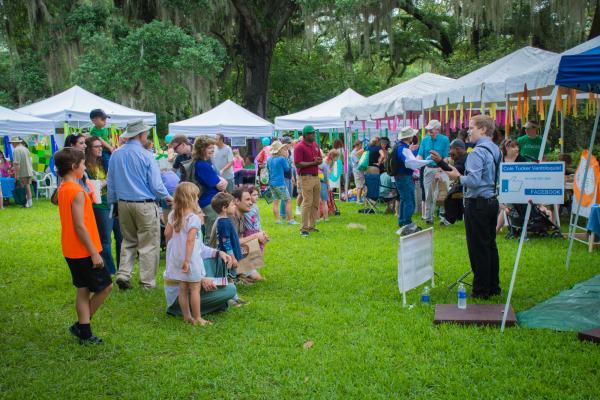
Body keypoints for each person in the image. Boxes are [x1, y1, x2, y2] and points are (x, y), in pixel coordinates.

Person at [55, 147, 112, 344]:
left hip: (70, 248)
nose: (84, 168)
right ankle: (82, 327)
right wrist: (94, 253)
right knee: (105, 287)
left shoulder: (64, 187)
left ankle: (84, 332)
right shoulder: (76, 191)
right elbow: (80, 226)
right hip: (83, 250)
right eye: (82, 165)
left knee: (83, 288)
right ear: (74, 167)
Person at [107, 119, 173, 290]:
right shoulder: (147, 155)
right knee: (149, 244)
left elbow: (111, 182)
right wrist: (167, 197)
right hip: (144, 204)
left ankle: (123, 273)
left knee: (128, 240)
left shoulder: (116, 154)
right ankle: (147, 282)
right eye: (146, 133)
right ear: (141, 134)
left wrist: (113, 203)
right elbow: (156, 185)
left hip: (123, 203)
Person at [446, 115, 502, 299]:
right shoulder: (495, 149)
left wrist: (457, 177)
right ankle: (493, 286)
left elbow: (474, 181)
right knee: (489, 245)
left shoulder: (477, 152)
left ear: (483, 129)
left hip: (477, 203)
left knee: (478, 248)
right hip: (491, 201)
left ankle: (480, 290)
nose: (468, 131)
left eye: (471, 127)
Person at [164, 182, 219, 326]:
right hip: (189, 258)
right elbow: (190, 241)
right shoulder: (193, 218)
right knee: (194, 288)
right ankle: (198, 318)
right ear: (191, 198)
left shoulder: (172, 215)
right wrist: (187, 260)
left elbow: (166, 234)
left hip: (176, 257)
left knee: (182, 288)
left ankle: (186, 316)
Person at [85, 136, 117, 275]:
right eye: (96, 146)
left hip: (111, 201)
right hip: (100, 205)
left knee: (119, 237)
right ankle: (109, 271)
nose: (100, 149)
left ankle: (119, 270)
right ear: (89, 149)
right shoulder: (86, 167)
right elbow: (91, 187)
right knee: (105, 240)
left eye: (100, 146)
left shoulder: (102, 162)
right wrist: (107, 180)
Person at [211, 192, 248, 307]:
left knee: (231, 277)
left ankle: (234, 297)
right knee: (228, 278)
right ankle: (229, 299)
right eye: (232, 205)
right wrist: (232, 258)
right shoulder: (223, 222)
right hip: (228, 259)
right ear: (224, 208)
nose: (235, 206)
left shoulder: (225, 220)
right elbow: (225, 242)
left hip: (230, 258)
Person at [392, 127, 431, 234]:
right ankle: (407, 224)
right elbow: (411, 163)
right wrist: (427, 161)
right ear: (409, 137)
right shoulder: (404, 148)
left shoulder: (399, 146)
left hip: (400, 176)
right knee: (409, 200)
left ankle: (403, 222)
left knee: (404, 199)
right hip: (404, 176)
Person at [192, 136, 228, 241]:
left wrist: (221, 180)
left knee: (214, 232)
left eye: (213, 147)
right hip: (208, 202)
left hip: (212, 200)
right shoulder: (202, 165)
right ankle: (209, 256)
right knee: (211, 234)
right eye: (209, 148)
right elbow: (219, 184)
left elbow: (219, 181)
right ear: (201, 149)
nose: (212, 150)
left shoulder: (207, 162)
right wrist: (222, 180)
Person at [418, 120, 450, 225]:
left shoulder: (445, 140)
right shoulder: (425, 140)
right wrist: (415, 163)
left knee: (441, 193)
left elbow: (445, 157)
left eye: (431, 130)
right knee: (428, 193)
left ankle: (442, 217)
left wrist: (440, 170)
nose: (429, 132)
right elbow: (420, 155)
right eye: (428, 130)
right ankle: (428, 217)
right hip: (428, 169)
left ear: (437, 130)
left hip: (441, 169)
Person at [430, 139, 469, 225]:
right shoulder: (461, 158)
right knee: (453, 196)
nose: (449, 152)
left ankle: (449, 219)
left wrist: (440, 161)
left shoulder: (464, 159)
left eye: (451, 149)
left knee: (451, 196)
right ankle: (455, 216)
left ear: (458, 149)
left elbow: (452, 171)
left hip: (467, 190)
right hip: (463, 188)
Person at [294, 126, 322, 237]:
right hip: (305, 177)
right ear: (305, 135)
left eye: (314, 133)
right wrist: (313, 163)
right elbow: (298, 163)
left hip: (316, 176)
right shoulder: (299, 147)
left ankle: (312, 226)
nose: (313, 135)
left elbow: (319, 159)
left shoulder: (315, 145)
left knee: (315, 203)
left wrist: (318, 161)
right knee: (307, 202)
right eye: (311, 133)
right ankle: (303, 229)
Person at [267, 140, 296, 225]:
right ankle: (290, 220)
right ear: (279, 149)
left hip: (272, 183)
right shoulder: (282, 159)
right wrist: (287, 158)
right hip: (280, 183)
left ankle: (277, 220)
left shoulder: (269, 159)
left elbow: (268, 169)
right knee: (288, 200)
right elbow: (287, 169)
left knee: (275, 202)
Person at [240, 186, 265, 282]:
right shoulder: (245, 210)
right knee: (249, 250)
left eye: (257, 194)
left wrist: (261, 231)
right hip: (249, 233)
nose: (257, 197)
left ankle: (252, 269)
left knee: (259, 250)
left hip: (257, 231)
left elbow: (258, 220)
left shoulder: (256, 208)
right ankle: (248, 272)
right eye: (254, 195)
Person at [10, 136, 34, 208]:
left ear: (15, 143)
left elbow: (17, 164)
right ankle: (29, 203)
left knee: (23, 188)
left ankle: (25, 204)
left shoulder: (16, 150)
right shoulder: (25, 149)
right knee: (27, 187)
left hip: (22, 172)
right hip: (29, 171)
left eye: (12, 143)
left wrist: (16, 175)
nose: (12, 144)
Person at [319, 150, 339, 221]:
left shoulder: (324, 163)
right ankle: (325, 217)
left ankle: (322, 217)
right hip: (323, 183)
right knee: (323, 202)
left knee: (321, 201)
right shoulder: (325, 163)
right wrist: (329, 186)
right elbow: (327, 177)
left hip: (320, 182)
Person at [279, 136, 295, 220]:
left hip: (289, 176)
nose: (290, 144)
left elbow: (290, 166)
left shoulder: (289, 151)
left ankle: (288, 212)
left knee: (289, 196)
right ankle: (283, 214)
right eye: (289, 143)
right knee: (285, 196)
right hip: (283, 177)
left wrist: (292, 176)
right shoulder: (281, 152)